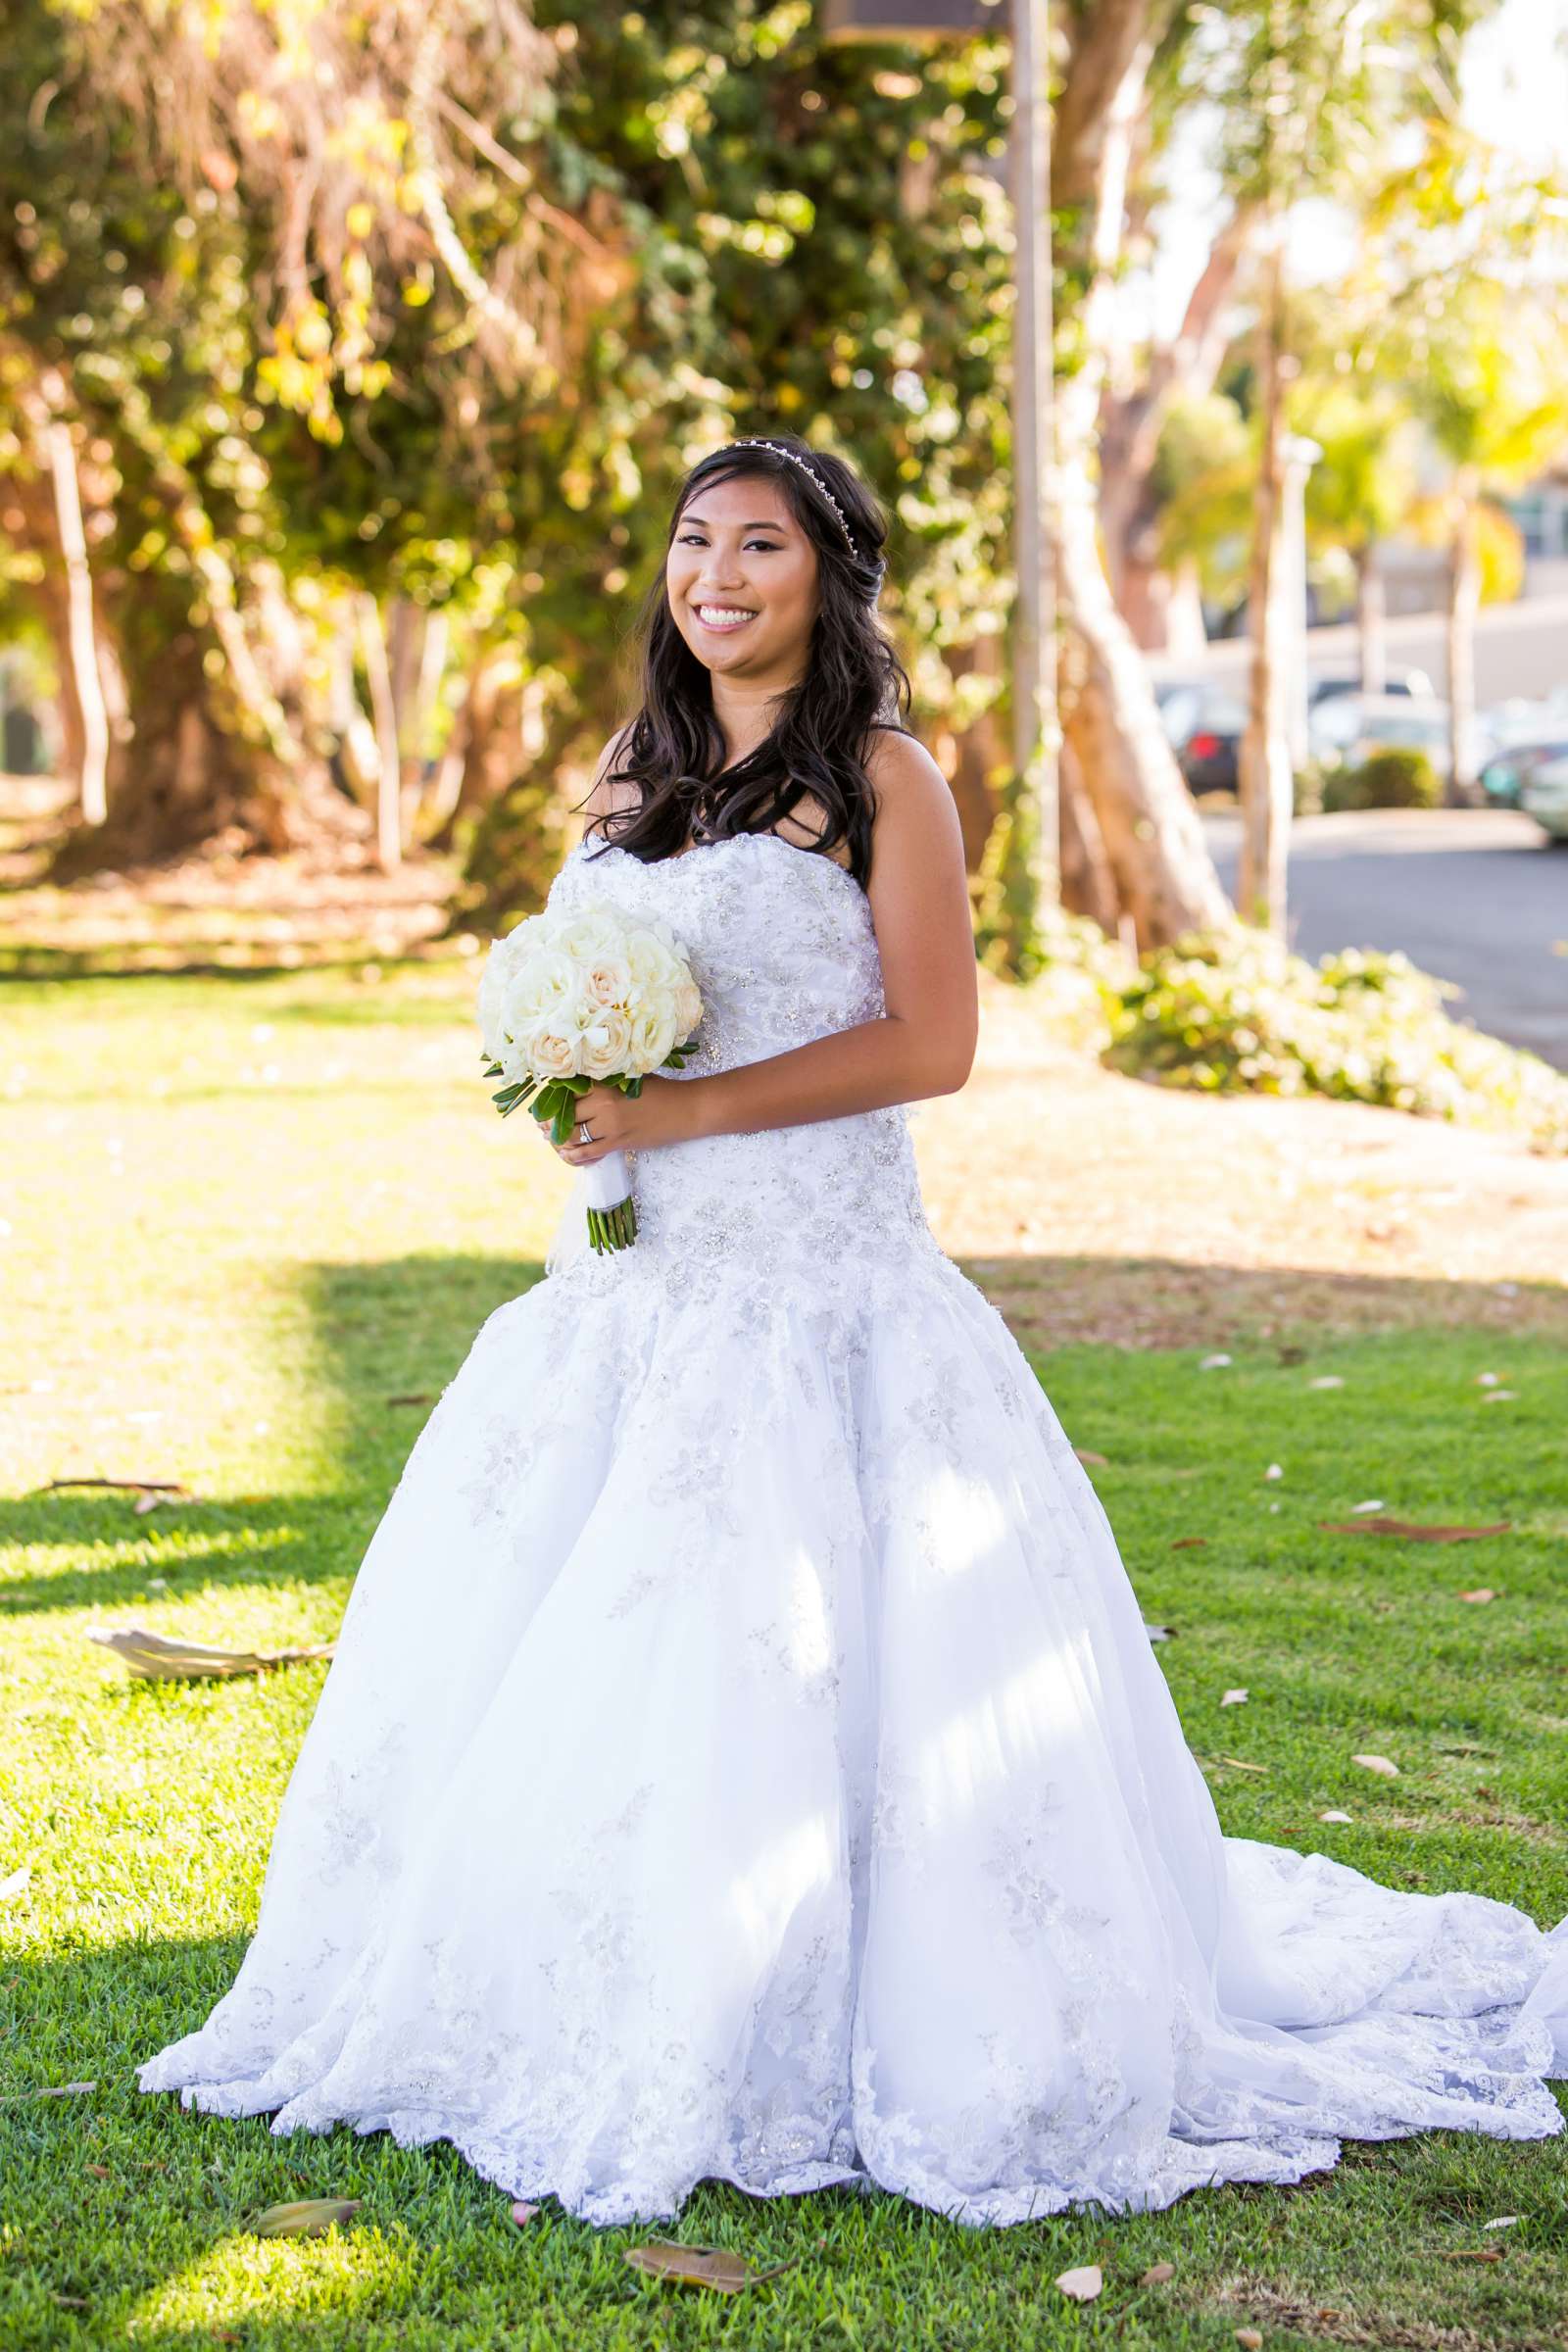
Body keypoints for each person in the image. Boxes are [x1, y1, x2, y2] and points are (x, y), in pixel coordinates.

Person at [139, 434, 1568, 2228]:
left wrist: (678, 1117)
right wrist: (569, 1077)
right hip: (625, 1302)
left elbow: (932, 1046)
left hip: (827, 1305)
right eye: (691, 541)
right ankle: (605, 1977)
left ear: (829, 579)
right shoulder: (630, 781)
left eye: (760, 544)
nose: (715, 574)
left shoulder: (886, 779)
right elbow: (599, 1005)